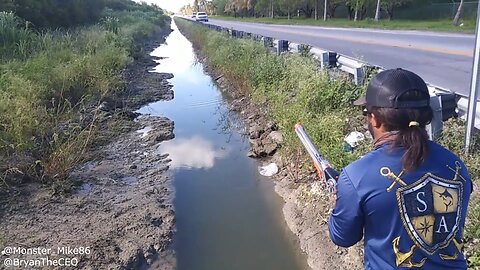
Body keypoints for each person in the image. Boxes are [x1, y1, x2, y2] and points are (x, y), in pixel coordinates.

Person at [328, 68, 473, 270]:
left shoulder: (357, 176)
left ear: (375, 118)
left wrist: (338, 201)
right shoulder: (455, 165)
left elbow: (342, 237)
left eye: (366, 113)